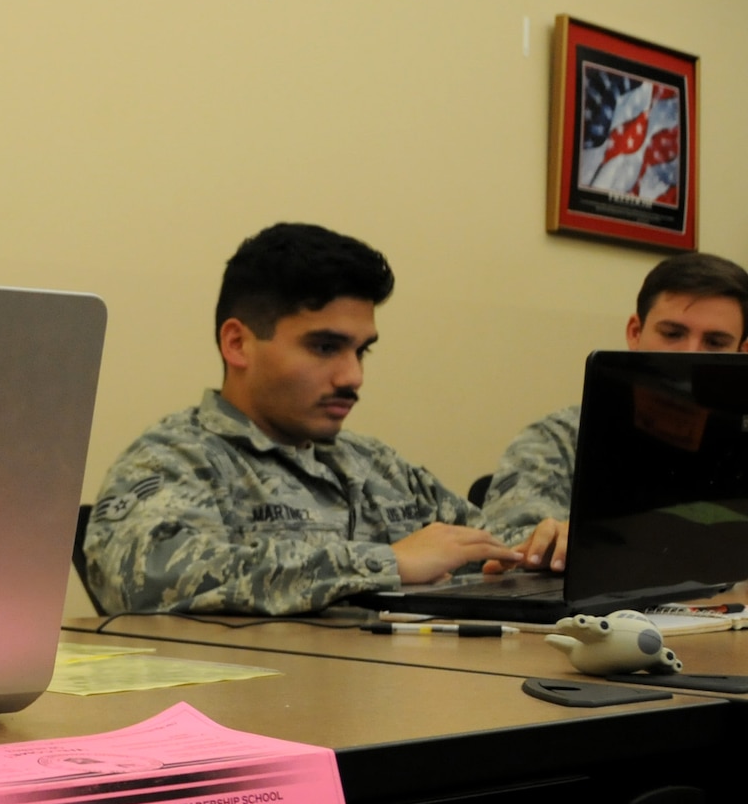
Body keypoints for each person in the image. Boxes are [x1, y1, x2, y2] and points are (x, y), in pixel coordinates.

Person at [83, 222, 542, 617]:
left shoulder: (375, 465)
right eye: (325, 347)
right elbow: (142, 578)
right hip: (251, 710)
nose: (353, 376)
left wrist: (542, 546)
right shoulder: (173, 459)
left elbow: (487, 545)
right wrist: (383, 563)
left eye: (362, 350)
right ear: (238, 344)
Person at [480, 252, 748, 546]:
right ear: (635, 332)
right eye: (672, 333)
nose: (691, 355)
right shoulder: (560, 439)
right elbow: (507, 550)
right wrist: (555, 543)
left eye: (714, 343)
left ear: (742, 351)